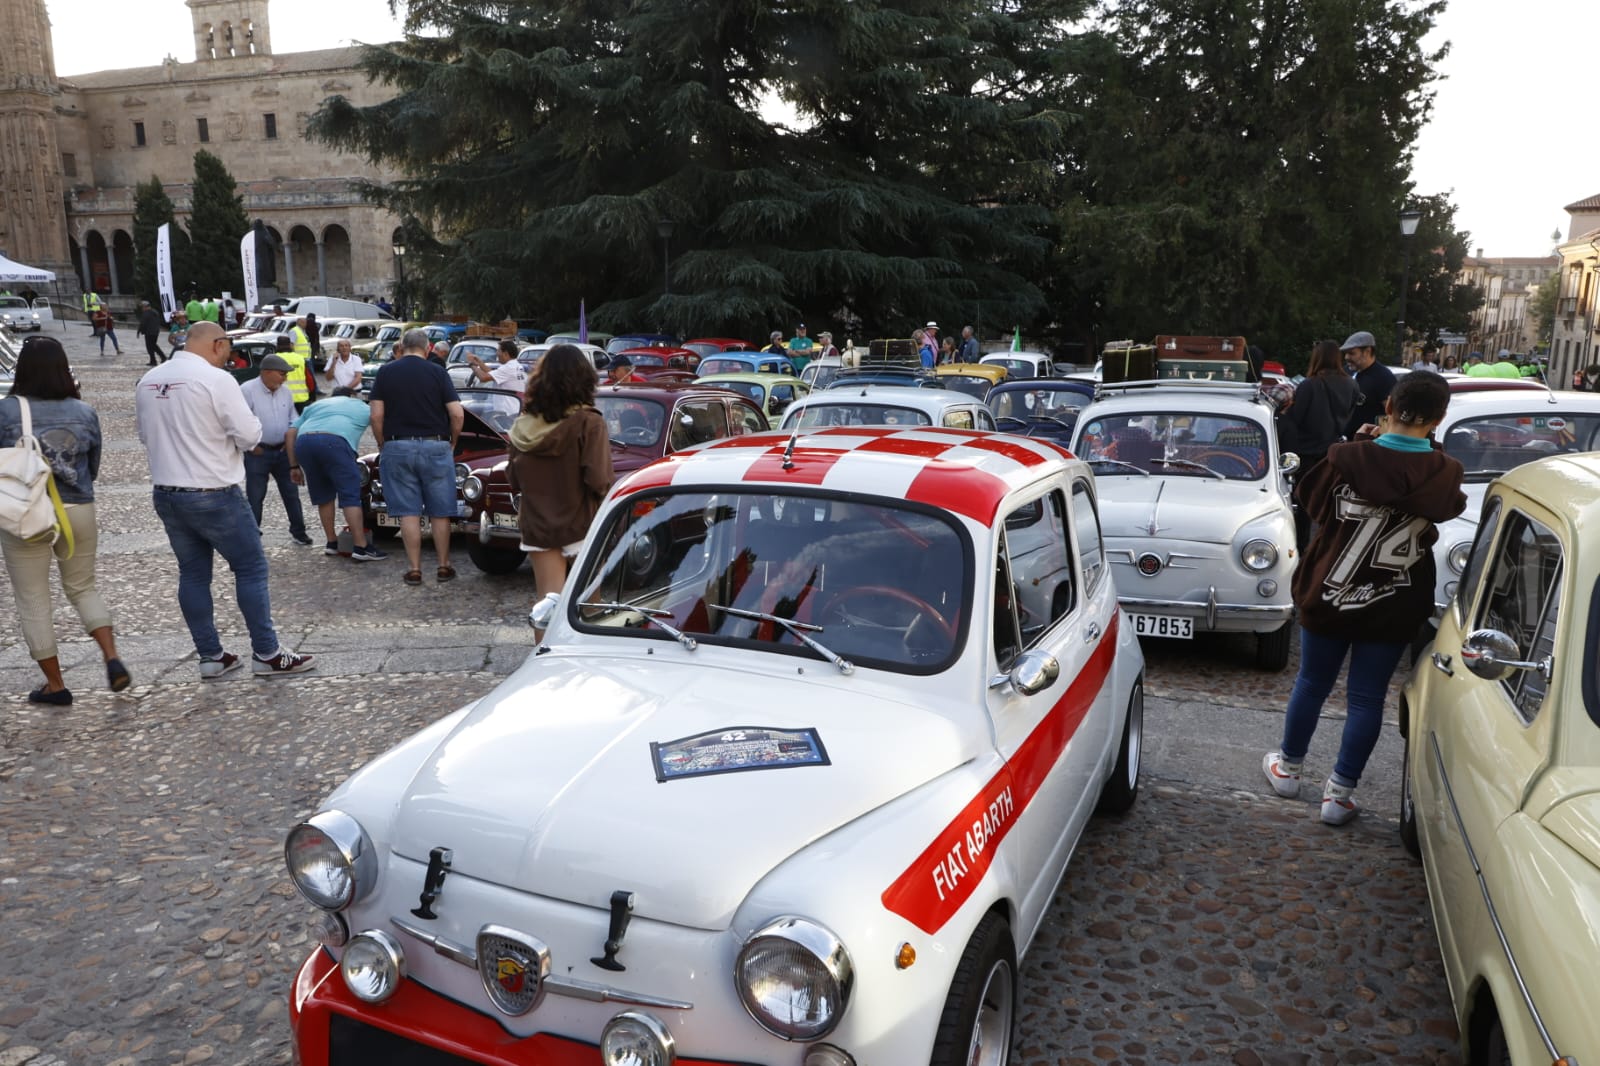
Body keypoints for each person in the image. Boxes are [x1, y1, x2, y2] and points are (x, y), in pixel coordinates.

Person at [1263, 372, 1464, 825]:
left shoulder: (1346, 457)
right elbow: (1448, 505)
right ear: (1440, 419)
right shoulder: (1446, 471)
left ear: (1388, 405)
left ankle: (1289, 769)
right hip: (1395, 597)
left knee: (1312, 684)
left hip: (1331, 589)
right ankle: (1339, 794)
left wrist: (1363, 443)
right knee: (1368, 698)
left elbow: (1312, 504)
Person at [135, 320, 315, 679]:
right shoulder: (217, 380)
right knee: (250, 568)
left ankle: (211, 655)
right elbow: (250, 435)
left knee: (193, 574)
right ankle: (266, 652)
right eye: (229, 348)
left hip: (168, 491)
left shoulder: (149, 380)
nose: (229, 355)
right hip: (213, 490)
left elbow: (145, 435)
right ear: (217, 344)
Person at [0, 336, 129, 704]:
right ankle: (112, 657)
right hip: (78, 510)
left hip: (25, 513)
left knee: (33, 600)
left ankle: (55, 686)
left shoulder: (6, 411)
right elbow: (94, 468)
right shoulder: (84, 411)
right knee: (83, 587)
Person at [506, 344, 615, 639]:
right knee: (591, 608)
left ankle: (543, 671)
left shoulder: (523, 425)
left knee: (546, 609)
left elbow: (513, 478)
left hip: (538, 525)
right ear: (584, 380)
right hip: (582, 523)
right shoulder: (589, 422)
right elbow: (599, 479)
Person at [368, 328, 464, 586]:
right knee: (440, 511)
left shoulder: (386, 372)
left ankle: (414, 569)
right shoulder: (438, 373)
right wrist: (452, 442)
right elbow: (457, 414)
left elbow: (376, 415)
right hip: (436, 445)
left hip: (397, 445)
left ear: (401, 346)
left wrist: (382, 443)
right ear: (428, 348)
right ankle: (444, 566)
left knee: (408, 512)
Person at [286, 386, 387, 561]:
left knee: (324, 497)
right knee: (350, 496)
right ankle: (361, 547)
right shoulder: (361, 406)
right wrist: (382, 444)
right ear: (352, 396)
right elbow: (378, 420)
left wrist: (293, 466)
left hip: (304, 443)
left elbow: (289, 434)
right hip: (335, 442)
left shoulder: (316, 406)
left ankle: (332, 543)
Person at [240, 354, 312, 545]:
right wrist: (251, 446)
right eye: (282, 374)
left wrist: (293, 438)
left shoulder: (285, 392)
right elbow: (240, 421)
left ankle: (299, 531)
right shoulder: (247, 390)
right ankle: (252, 533)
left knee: (291, 493)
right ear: (267, 372)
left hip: (282, 452)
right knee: (255, 495)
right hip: (258, 453)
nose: (285, 378)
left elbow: (292, 417)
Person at [1339, 331, 1394, 439]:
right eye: (1345, 353)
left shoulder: (1383, 377)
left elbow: (1391, 414)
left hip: (1366, 444)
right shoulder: (1346, 372)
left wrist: (1382, 439)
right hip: (1343, 440)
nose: (1346, 357)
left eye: (1351, 353)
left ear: (1367, 351)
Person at [283, 317, 315, 411]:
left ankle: (312, 394)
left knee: (310, 378)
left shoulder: (302, 331)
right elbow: (291, 344)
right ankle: (311, 396)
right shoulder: (295, 331)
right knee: (308, 377)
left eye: (305, 322)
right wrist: (293, 355)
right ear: (298, 322)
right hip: (300, 359)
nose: (305, 324)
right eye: (303, 322)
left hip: (305, 358)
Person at [137, 300, 167, 366]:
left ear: (145, 307)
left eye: (142, 307)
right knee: (153, 345)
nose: (142, 309)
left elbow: (143, 323)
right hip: (155, 332)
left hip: (149, 332)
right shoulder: (155, 312)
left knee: (150, 347)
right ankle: (160, 358)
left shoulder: (146, 313)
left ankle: (156, 360)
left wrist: (139, 331)